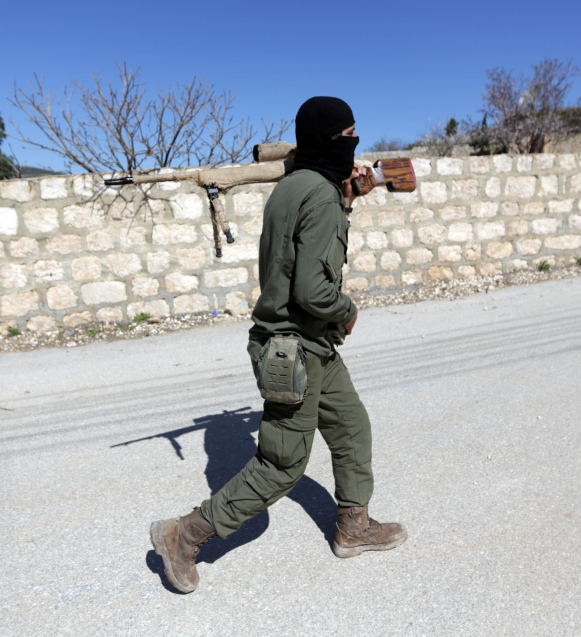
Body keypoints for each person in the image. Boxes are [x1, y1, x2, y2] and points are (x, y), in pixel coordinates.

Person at [150, 96, 406, 594]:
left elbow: (302, 255)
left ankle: (353, 526)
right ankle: (184, 535)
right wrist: (347, 310)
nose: (355, 141)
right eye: (348, 134)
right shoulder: (320, 195)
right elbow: (313, 289)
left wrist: (348, 200)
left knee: (350, 427)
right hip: (295, 349)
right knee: (283, 464)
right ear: (330, 140)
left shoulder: (294, 186)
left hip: (311, 344)